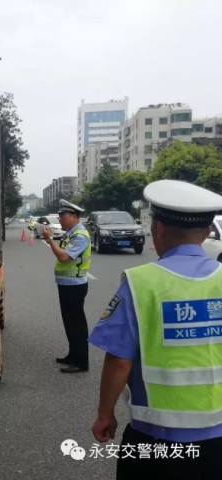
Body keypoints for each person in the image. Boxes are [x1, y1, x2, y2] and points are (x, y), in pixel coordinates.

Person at [89, 179, 222, 478]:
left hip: (157, 439)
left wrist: (104, 414)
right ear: (206, 232)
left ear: (157, 229)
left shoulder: (141, 283)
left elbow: (119, 360)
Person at [43, 199, 92, 373]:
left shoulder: (80, 236)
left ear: (73, 216)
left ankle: (81, 362)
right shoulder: (70, 233)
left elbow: (64, 257)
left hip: (75, 285)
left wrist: (50, 241)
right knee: (69, 322)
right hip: (66, 284)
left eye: (62, 216)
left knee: (77, 324)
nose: (60, 219)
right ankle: (73, 355)